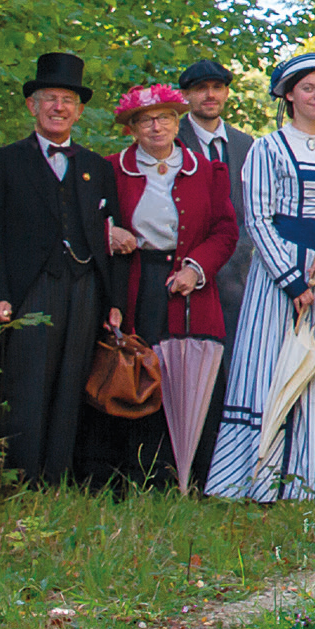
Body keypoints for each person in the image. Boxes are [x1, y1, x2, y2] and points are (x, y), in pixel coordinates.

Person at [207, 53, 315, 506]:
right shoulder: (267, 148)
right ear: (288, 95)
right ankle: (256, 482)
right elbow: (258, 219)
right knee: (269, 368)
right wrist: (292, 280)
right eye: (308, 88)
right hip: (279, 278)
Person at [0, 53, 123, 486]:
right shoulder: (2, 162)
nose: (59, 107)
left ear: (78, 110)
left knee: (70, 387)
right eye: (50, 98)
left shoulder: (97, 167)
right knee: (25, 388)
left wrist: (112, 303)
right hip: (29, 290)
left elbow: (108, 240)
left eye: (68, 100)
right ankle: (16, 483)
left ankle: (54, 483)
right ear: (32, 106)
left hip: (85, 289)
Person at [102, 83, 240, 489]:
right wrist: (108, 231)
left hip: (192, 287)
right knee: (139, 373)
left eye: (164, 118)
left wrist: (195, 270)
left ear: (177, 120)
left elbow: (225, 231)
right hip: (135, 282)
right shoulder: (112, 169)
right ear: (132, 129)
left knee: (193, 375)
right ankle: (144, 476)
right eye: (145, 121)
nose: (156, 127)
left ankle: (196, 479)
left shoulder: (207, 170)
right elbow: (88, 217)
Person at [175, 60, 256, 345]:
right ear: (185, 95)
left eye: (217, 88)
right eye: (201, 89)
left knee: (234, 354)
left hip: (236, 270)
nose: (210, 95)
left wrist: (241, 251)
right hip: (184, 267)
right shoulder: (171, 141)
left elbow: (252, 206)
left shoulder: (245, 144)